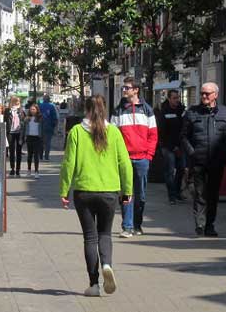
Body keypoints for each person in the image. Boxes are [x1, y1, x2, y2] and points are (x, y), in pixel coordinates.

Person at [59, 95, 133, 297]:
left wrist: (63, 190)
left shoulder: (76, 132)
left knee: (90, 237)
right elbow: (125, 163)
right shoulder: (114, 132)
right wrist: (128, 191)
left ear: (86, 109)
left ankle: (94, 284)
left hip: (84, 192)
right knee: (105, 234)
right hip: (109, 191)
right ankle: (107, 264)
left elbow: (68, 164)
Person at [181, 82, 226, 237]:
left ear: (215, 95)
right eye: (202, 93)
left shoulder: (225, 113)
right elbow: (184, 136)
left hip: (217, 161)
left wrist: (225, 154)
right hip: (198, 160)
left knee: (213, 194)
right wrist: (192, 153)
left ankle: (210, 225)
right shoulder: (192, 113)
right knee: (199, 193)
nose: (204, 96)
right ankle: (200, 223)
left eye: (207, 93)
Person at [111, 77, 158, 237]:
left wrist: (149, 155)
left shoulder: (147, 110)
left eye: (127, 87)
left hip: (142, 158)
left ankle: (137, 224)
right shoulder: (118, 110)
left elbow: (153, 135)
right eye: (123, 88)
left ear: (136, 90)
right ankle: (127, 226)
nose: (124, 90)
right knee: (126, 193)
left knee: (141, 194)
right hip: (124, 159)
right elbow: (113, 136)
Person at [156, 89, 186, 204]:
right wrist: (173, 147)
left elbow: (185, 128)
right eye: (174, 98)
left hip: (180, 145)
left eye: (178, 97)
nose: (177, 100)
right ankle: (172, 196)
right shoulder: (164, 112)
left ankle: (177, 192)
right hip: (168, 146)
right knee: (169, 171)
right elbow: (162, 132)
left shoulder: (181, 110)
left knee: (182, 169)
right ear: (169, 99)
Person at [5, 96, 26, 176]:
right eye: (15, 101)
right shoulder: (8, 111)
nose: (17, 103)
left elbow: (23, 123)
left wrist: (23, 135)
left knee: (18, 151)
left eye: (18, 101)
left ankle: (18, 169)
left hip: (19, 133)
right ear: (12, 102)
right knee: (12, 151)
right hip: (10, 132)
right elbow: (5, 121)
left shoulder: (21, 111)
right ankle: (12, 168)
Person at [24, 102, 43, 178]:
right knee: (29, 155)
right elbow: (24, 128)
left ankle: (36, 171)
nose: (32, 111)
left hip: (37, 138)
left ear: (37, 110)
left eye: (34, 109)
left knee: (36, 156)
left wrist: (42, 138)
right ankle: (29, 170)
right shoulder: (27, 118)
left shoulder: (40, 118)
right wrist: (24, 137)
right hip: (29, 137)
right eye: (31, 109)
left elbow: (42, 129)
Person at [39, 94, 59, 160]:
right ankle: (46, 156)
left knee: (41, 141)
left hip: (41, 126)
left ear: (44, 99)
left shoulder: (40, 106)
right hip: (49, 126)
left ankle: (40, 156)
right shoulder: (52, 106)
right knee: (48, 142)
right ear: (49, 99)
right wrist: (54, 125)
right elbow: (55, 117)